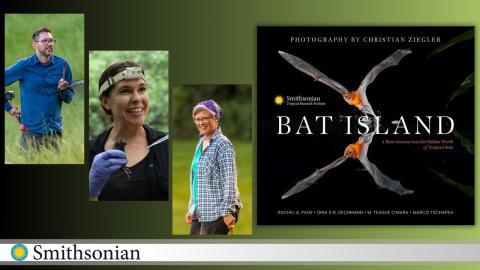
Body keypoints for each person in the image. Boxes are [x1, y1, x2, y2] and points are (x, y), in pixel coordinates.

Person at [88, 61, 168, 201]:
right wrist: (90, 193)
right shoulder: (89, 153)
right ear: (105, 102)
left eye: (142, 89)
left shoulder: (166, 144)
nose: (137, 98)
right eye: (125, 91)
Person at [4, 27, 74, 149]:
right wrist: (8, 108)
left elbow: (69, 98)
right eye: (45, 41)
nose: (49, 44)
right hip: (31, 133)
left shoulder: (63, 65)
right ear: (35, 44)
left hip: (55, 132)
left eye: (51, 41)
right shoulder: (24, 65)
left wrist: (62, 90)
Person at [185, 100, 242, 235]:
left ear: (216, 118)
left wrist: (227, 212)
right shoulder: (201, 142)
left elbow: (230, 180)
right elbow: (196, 178)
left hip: (217, 212)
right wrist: (192, 208)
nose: (201, 122)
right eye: (197, 119)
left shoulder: (222, 144)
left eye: (205, 118)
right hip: (201, 210)